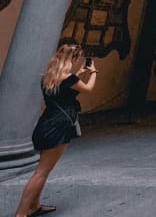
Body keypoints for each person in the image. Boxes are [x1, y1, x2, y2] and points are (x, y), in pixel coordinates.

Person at [15, 44, 98, 217]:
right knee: (42, 171)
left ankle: (34, 206)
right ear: (72, 59)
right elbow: (88, 89)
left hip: (46, 123)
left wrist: (80, 73)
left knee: (43, 169)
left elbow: (64, 88)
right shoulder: (69, 79)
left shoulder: (47, 78)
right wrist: (94, 73)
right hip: (59, 126)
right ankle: (21, 213)